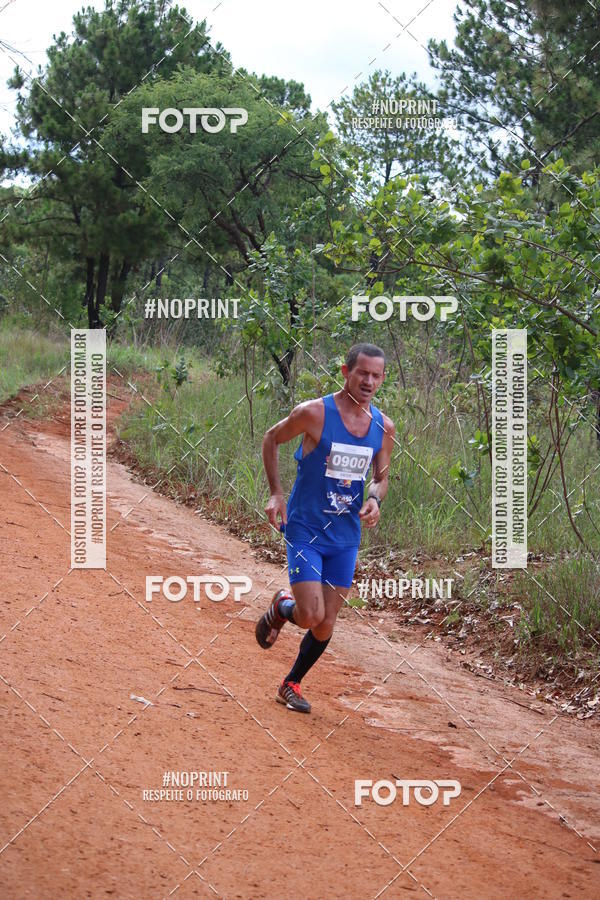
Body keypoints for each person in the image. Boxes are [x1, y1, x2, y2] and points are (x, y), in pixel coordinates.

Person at [255, 343, 395, 713]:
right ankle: (282, 607)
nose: (368, 381)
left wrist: (376, 499)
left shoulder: (383, 427)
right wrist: (276, 494)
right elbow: (271, 438)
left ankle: (291, 683)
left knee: (325, 623)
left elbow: (382, 477)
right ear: (346, 372)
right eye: (361, 373)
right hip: (306, 528)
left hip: (346, 536)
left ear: (382, 379)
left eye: (375, 375)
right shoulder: (313, 413)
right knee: (310, 614)